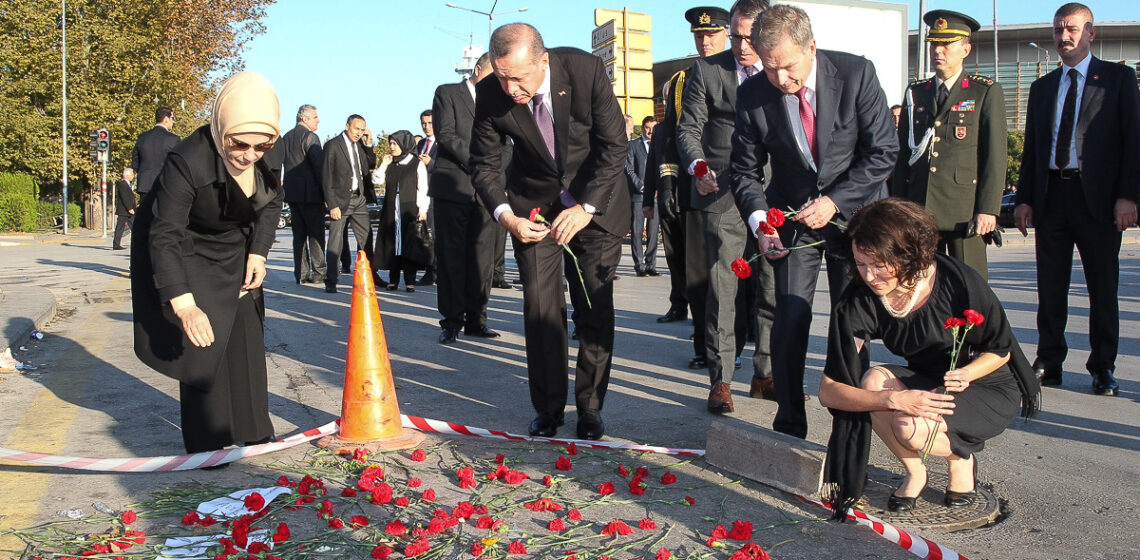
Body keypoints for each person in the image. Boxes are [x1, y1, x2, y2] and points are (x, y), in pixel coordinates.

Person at [730, 4, 898, 438]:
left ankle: (852, 420)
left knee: (850, 322)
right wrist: (760, 224)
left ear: (812, 48)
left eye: (788, 67)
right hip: (792, 221)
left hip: (853, 219)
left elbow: (883, 151)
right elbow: (745, 171)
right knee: (789, 318)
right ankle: (789, 418)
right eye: (770, 69)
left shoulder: (856, 74)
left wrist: (834, 202)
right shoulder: (752, 95)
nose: (781, 80)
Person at [819, 198, 1040, 515]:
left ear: (907, 255)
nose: (869, 276)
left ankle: (960, 459)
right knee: (872, 382)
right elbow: (830, 390)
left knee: (908, 426)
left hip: (983, 384)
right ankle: (915, 471)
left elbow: (1001, 351)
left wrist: (966, 374)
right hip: (929, 380)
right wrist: (892, 400)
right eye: (861, 263)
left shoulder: (959, 283)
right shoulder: (859, 300)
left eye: (879, 265)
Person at [470, 23, 629, 441]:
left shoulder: (585, 70)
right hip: (533, 211)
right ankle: (548, 408)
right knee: (541, 311)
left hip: (596, 202)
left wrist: (586, 207)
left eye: (519, 77)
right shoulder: (491, 94)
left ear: (543, 60)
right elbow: (484, 167)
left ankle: (590, 407)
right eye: (502, 77)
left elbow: (614, 145)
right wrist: (507, 217)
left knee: (593, 309)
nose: (510, 88)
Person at [131, 72, 283, 455]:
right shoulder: (187, 160)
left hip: (235, 244)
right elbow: (164, 235)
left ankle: (254, 430)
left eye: (260, 146)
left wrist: (258, 252)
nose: (249, 154)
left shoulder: (267, 147)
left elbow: (271, 202)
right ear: (221, 128)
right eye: (239, 144)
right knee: (203, 339)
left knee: (246, 331)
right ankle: (208, 443)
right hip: (186, 245)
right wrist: (184, 304)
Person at [1015, 2, 1140, 396]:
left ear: (1090, 33)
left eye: (1071, 29)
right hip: (1053, 196)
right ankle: (1049, 361)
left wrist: (1128, 197)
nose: (1063, 37)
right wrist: (1024, 199)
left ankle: (1102, 367)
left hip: (1100, 202)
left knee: (1102, 287)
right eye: (1057, 30)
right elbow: (1033, 149)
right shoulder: (1042, 87)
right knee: (1050, 286)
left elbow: (1133, 141)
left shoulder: (1118, 80)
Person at [678, 0, 772, 414]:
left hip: (773, 193)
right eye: (736, 36)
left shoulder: (779, 67)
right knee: (724, 287)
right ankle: (721, 381)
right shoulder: (708, 70)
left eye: (751, 37)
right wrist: (698, 166)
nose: (743, 45)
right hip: (722, 191)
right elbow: (688, 129)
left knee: (771, 286)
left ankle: (765, 374)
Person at [892, 10, 1008, 280]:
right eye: (934, 44)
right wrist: (898, 207)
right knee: (919, 287)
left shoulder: (983, 91)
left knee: (969, 287)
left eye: (947, 44)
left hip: (963, 213)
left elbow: (994, 156)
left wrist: (988, 209)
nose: (938, 51)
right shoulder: (916, 92)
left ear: (965, 49)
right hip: (919, 209)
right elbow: (903, 157)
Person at [643, 5, 730, 331]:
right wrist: (664, 185)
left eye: (711, 35)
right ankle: (688, 314)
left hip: (737, 179)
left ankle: (743, 322)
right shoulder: (683, 80)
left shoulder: (746, 71)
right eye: (700, 36)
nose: (705, 42)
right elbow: (671, 138)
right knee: (687, 257)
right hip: (693, 181)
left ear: (727, 34)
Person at [431, 54, 502, 344]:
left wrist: (495, 172)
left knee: (482, 260)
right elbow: (446, 135)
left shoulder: (499, 101)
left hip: (486, 193)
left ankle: (477, 320)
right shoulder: (447, 93)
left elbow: (507, 143)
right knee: (451, 257)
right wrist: (479, 163)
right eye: (493, 74)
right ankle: (451, 321)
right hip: (453, 187)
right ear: (477, 70)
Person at [322, 114, 377, 293]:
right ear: (347, 126)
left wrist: (368, 144)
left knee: (366, 237)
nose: (359, 133)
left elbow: (370, 164)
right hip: (340, 200)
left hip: (359, 198)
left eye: (362, 130)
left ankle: (372, 275)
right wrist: (332, 204)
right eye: (356, 129)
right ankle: (331, 280)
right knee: (336, 241)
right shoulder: (333, 145)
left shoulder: (360, 145)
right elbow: (326, 176)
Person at [373, 131, 431, 292]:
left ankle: (410, 280)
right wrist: (383, 164)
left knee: (408, 244)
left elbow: (423, 188)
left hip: (409, 208)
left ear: (404, 144)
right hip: (391, 208)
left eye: (395, 144)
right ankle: (393, 279)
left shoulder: (415, 163)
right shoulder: (391, 163)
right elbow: (377, 180)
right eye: (390, 143)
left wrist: (423, 209)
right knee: (393, 244)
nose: (392, 147)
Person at [279, 104, 326, 285]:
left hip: (292, 194)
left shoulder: (287, 137)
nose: (318, 120)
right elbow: (319, 167)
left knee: (298, 237)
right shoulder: (311, 137)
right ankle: (319, 273)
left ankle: (301, 274)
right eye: (315, 117)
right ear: (305, 119)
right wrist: (326, 194)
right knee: (316, 235)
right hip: (312, 195)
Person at [625, 116, 659, 277]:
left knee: (653, 232)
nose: (650, 131)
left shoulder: (660, 146)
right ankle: (639, 265)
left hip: (656, 195)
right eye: (647, 127)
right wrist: (642, 186)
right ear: (643, 127)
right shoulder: (633, 146)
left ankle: (651, 264)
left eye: (653, 127)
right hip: (639, 195)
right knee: (637, 231)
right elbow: (629, 169)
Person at [130, 106, 180, 195]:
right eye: (172, 118)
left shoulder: (142, 137)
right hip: (166, 186)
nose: (173, 121)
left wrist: (145, 173)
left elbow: (135, 162)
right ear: (166, 119)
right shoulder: (173, 139)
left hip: (145, 185)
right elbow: (179, 163)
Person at [415, 110, 439, 286]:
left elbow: (449, 168)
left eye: (430, 123)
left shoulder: (444, 142)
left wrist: (430, 163)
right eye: (424, 123)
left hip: (438, 194)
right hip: (423, 195)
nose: (426, 126)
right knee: (427, 236)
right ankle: (430, 269)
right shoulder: (421, 144)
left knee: (435, 236)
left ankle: (435, 271)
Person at [112, 168, 136, 250]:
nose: (133, 176)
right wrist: (130, 208)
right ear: (127, 175)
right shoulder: (123, 184)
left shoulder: (128, 184)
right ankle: (116, 244)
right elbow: (125, 197)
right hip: (124, 210)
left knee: (135, 226)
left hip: (128, 211)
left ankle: (137, 243)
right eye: (132, 174)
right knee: (120, 227)